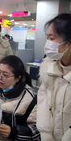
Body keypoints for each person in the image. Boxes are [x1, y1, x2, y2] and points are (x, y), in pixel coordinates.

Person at [37, 13, 71, 141]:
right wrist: (45, 134)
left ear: (69, 43)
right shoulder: (48, 69)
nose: (48, 44)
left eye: (52, 38)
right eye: (47, 38)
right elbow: (43, 104)